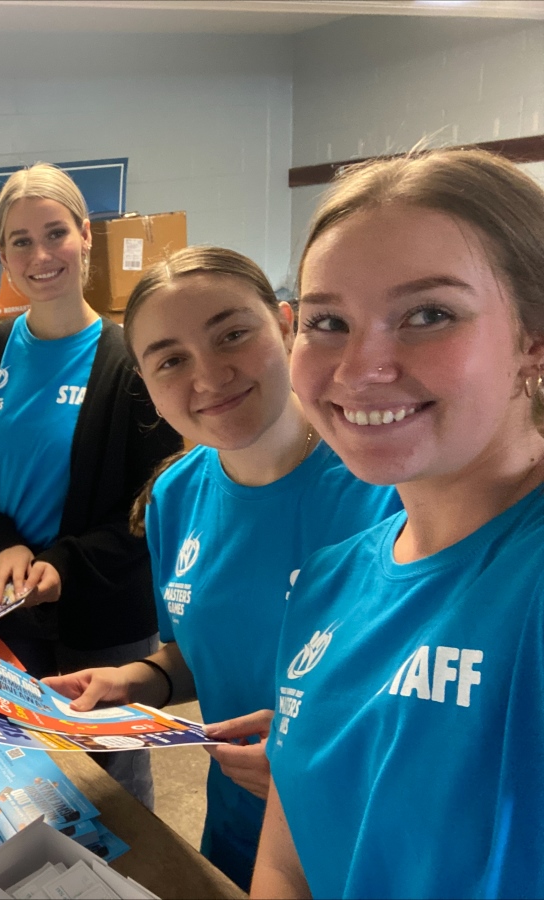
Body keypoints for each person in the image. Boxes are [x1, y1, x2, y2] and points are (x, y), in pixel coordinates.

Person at [42, 246, 400, 889]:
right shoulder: (173, 497)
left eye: (232, 334)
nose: (208, 377)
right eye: (171, 360)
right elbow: (196, 656)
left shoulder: (389, 488)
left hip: (367, 839)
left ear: (286, 325)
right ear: (147, 386)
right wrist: (136, 682)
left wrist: (320, 763)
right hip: (238, 831)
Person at [252, 148, 544, 899]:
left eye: (428, 315)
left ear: (532, 340)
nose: (357, 368)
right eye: (327, 322)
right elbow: (290, 859)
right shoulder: (329, 580)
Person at [0, 162, 183, 809]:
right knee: (15, 767)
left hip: (104, 617)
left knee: (110, 782)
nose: (40, 255)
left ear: (85, 237)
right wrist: (2, 547)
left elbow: (149, 505)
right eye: (20, 240)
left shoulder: (132, 362)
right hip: (3, 605)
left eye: (54, 233)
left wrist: (62, 565)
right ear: (2, 252)